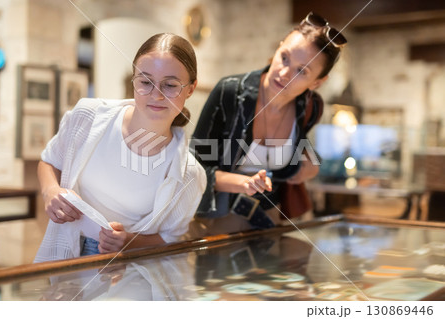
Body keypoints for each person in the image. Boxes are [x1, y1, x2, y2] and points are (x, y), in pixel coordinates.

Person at [34, 33, 206, 262]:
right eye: (145, 82)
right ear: (133, 80)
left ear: (190, 89)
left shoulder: (189, 174)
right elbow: (49, 161)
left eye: (170, 85)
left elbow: (171, 237)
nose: (156, 95)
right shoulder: (88, 115)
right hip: (63, 255)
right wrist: (50, 191)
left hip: (128, 276)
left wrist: (128, 241)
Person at [189, 12, 347, 235]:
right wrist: (244, 183)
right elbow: (194, 168)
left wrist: (310, 165)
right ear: (278, 47)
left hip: (268, 221)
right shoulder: (231, 92)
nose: (284, 73)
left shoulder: (310, 108)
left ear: (317, 82)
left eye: (301, 71)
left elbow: (298, 154)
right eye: (284, 57)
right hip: (215, 219)